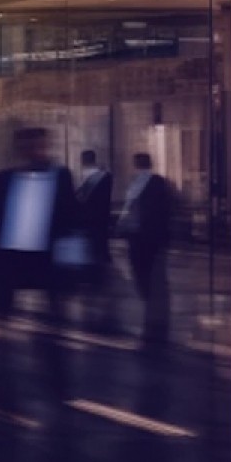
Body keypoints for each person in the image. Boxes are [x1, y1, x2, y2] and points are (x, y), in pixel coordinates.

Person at [0, 126, 76, 319]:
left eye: (39, 146)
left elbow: (70, 219)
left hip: (48, 258)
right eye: (28, 147)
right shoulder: (0, 181)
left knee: (55, 315)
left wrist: (71, 262)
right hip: (9, 258)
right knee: (2, 314)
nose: (34, 151)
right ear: (19, 150)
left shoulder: (61, 178)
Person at [119, 152, 173, 346]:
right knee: (145, 274)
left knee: (145, 274)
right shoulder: (140, 183)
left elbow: (157, 211)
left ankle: (154, 316)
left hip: (145, 237)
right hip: (141, 237)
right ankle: (153, 311)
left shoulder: (151, 183)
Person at [75, 148, 115, 326]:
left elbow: (80, 199)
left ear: (83, 161)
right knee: (100, 244)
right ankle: (102, 268)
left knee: (91, 246)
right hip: (102, 218)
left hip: (87, 219)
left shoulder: (86, 178)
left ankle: (95, 275)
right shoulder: (105, 176)